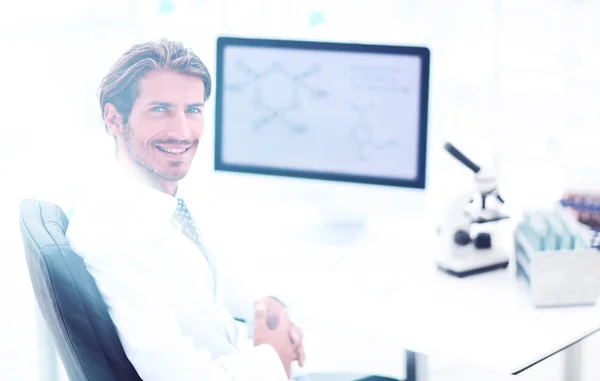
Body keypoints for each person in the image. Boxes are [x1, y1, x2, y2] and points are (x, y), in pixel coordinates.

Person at [66, 38, 306, 381]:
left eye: (192, 110)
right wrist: (273, 360)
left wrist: (267, 308)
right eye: (159, 109)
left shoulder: (165, 199)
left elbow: (213, 282)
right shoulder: (111, 237)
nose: (182, 131)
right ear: (114, 119)